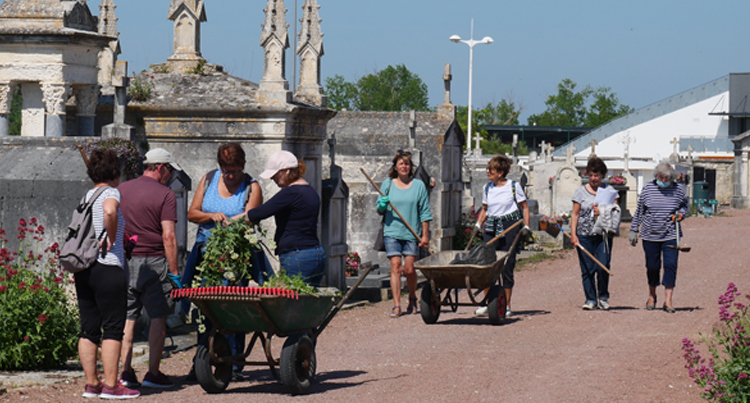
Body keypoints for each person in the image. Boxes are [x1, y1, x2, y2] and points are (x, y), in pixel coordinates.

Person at [183, 143, 267, 381]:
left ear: (243, 167)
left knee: (232, 308)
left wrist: (234, 223)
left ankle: (233, 363)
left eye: (235, 171)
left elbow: (251, 219)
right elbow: (192, 213)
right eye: (227, 171)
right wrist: (211, 216)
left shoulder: (251, 187)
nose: (230, 176)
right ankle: (202, 361)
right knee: (205, 308)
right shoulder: (209, 180)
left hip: (236, 258)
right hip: (207, 256)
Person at [75, 149, 140, 399]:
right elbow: (110, 211)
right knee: (113, 328)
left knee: (88, 327)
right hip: (108, 265)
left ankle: (92, 384)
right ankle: (112, 386)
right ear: (115, 172)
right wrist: (112, 236)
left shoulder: (87, 195)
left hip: (84, 267)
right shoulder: (111, 192)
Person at [118, 148, 182, 389]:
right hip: (155, 261)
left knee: (127, 317)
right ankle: (153, 372)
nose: (169, 175)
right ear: (160, 168)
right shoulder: (165, 195)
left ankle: (125, 370)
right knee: (158, 316)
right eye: (169, 170)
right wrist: (174, 272)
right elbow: (168, 236)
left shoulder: (122, 189)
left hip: (126, 259)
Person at [233, 150, 326, 285]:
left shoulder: (290, 193)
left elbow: (260, 213)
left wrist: (232, 220)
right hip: (316, 254)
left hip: (297, 256)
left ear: (286, 171)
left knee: (292, 303)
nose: (272, 178)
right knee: (309, 302)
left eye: (275, 175)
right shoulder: (310, 191)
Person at [376, 150, 432, 318]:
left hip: (411, 233)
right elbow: (379, 209)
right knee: (396, 267)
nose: (404, 166)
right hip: (392, 231)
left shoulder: (418, 186)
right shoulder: (388, 184)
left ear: (410, 167)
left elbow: (425, 213)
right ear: (395, 167)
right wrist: (383, 204)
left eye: (407, 164)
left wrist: (425, 235)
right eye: (401, 164)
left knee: (409, 269)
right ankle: (397, 304)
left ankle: (413, 297)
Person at [473, 155, 530, 317]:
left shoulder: (513, 186)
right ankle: (488, 302)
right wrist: (478, 224)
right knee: (487, 265)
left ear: (500, 172)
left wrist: (525, 226)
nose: (487, 171)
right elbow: (484, 209)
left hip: (509, 226)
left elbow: (524, 207)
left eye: (491, 169)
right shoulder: (487, 188)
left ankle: (506, 304)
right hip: (491, 227)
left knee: (506, 265)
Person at [629, 161, 688, 313]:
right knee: (652, 267)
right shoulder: (648, 188)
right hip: (650, 235)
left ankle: (668, 300)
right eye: (661, 177)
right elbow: (640, 210)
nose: (663, 181)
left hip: (670, 234)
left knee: (670, 265)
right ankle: (652, 295)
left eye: (667, 178)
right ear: (656, 176)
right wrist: (633, 229)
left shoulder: (678, 190)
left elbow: (685, 206)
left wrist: (681, 214)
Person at [570, 157, 618, 311]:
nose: (593, 178)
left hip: (603, 235)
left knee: (603, 266)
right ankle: (590, 298)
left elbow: (616, 211)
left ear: (602, 175)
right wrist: (573, 234)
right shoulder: (580, 192)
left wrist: (602, 211)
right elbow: (575, 214)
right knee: (587, 268)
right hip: (584, 235)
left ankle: (603, 297)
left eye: (596, 175)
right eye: (591, 175)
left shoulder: (609, 191)